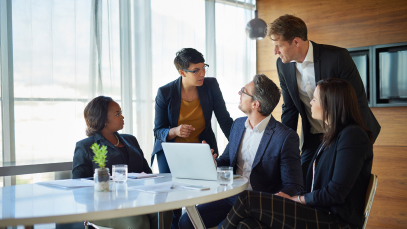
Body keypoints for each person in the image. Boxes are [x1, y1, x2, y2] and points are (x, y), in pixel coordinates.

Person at [221, 78, 373, 229]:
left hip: (336, 221)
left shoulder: (352, 136)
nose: (310, 103)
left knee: (247, 199)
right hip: (318, 212)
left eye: (314, 99)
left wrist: (297, 199)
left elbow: (335, 193)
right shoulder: (331, 137)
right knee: (246, 225)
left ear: (331, 103)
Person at [179, 74, 303, 229]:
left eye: (244, 91)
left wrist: (273, 201)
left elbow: (294, 185)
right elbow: (225, 160)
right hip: (230, 197)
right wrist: (210, 162)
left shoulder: (285, 137)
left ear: (255, 104)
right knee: (186, 222)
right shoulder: (237, 125)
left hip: (258, 203)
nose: (239, 93)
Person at [267, 14, 380, 180]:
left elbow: (358, 101)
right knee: (302, 180)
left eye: (279, 46)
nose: (275, 51)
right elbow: (290, 108)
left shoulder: (337, 57)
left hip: (345, 134)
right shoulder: (282, 66)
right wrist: (283, 145)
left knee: (337, 185)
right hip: (313, 135)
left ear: (296, 42)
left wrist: (358, 141)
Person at [152, 48, 234, 229]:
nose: (202, 73)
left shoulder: (210, 86)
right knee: (173, 202)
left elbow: (225, 120)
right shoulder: (165, 92)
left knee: (206, 196)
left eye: (203, 68)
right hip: (171, 151)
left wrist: (237, 143)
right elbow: (158, 130)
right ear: (182, 72)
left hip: (200, 149)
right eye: (196, 70)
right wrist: (175, 131)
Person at [72, 96, 172, 229]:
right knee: (138, 222)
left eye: (121, 113)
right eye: (117, 114)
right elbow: (78, 187)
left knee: (164, 212)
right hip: (102, 208)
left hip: (136, 201)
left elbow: (148, 173)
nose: (122, 117)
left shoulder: (130, 140)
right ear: (102, 119)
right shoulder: (85, 146)